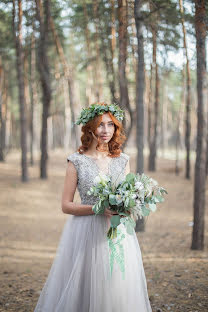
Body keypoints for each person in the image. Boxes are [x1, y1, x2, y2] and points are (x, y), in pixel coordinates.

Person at [34, 102, 152, 312]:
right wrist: (96, 209)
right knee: (85, 285)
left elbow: (125, 195)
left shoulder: (122, 160)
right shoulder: (76, 161)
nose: (105, 130)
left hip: (116, 234)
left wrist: (127, 206)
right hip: (85, 233)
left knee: (115, 285)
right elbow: (66, 205)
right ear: (89, 128)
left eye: (110, 125)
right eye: (100, 125)